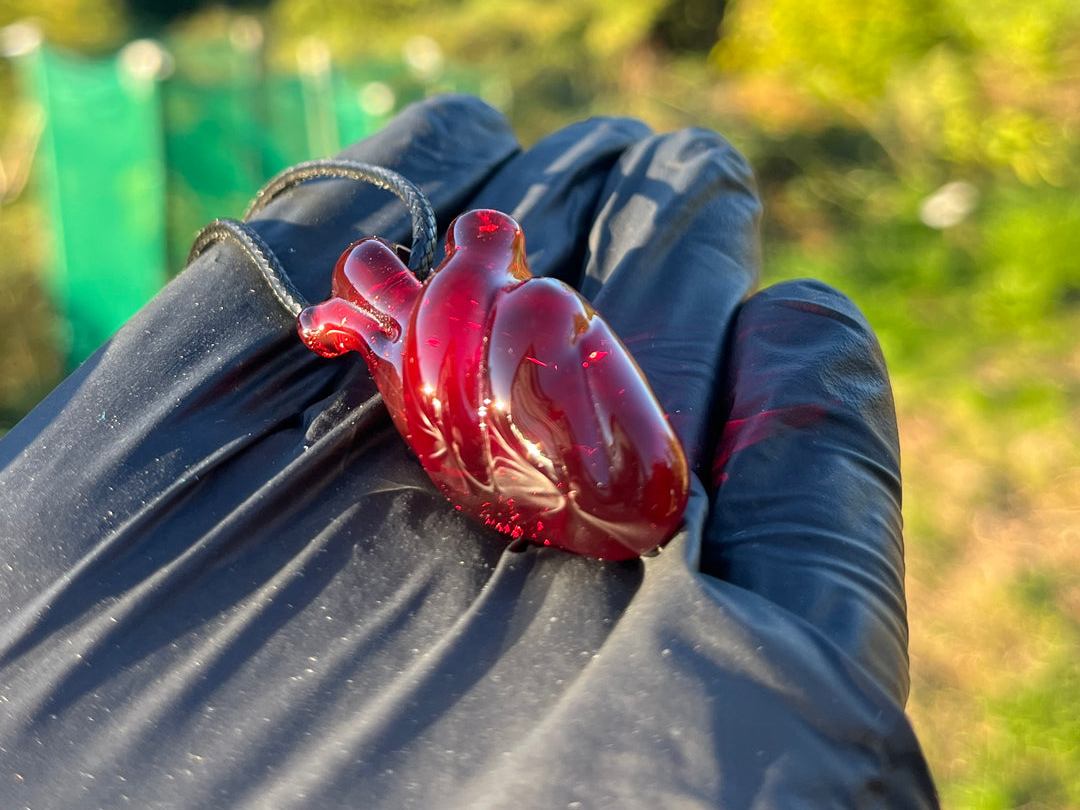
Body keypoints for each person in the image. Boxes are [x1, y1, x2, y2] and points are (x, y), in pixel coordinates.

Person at [0, 95, 939, 808]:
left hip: (528, 432)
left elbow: (414, 298)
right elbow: (437, 285)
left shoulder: (438, 304)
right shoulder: (444, 299)